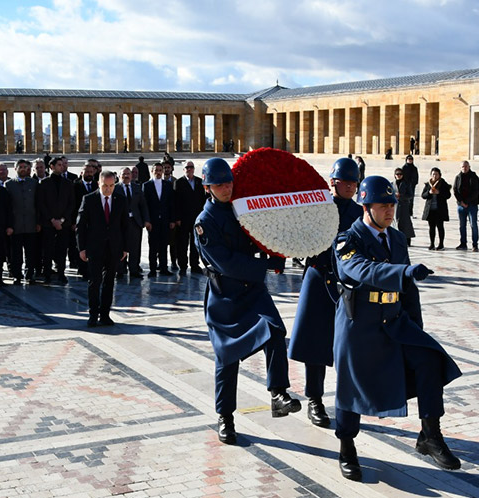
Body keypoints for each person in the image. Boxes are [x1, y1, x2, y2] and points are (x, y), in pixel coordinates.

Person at [332, 175, 462, 481]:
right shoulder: (347, 240)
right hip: (358, 324)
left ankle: (430, 435)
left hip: (393, 321)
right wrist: (403, 272)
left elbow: (409, 291)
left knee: (429, 358)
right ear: (366, 207)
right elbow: (362, 269)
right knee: (350, 389)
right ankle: (346, 446)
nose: (391, 211)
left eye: (393, 204)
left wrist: (416, 325)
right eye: (383, 205)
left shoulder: (397, 238)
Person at [194, 157, 300, 445]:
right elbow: (226, 263)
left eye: (228, 182)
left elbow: (260, 235)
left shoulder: (243, 208)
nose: (226, 188)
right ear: (208, 187)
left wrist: (279, 251)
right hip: (225, 296)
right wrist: (264, 266)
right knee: (227, 358)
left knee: (275, 330)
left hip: (252, 291)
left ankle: (278, 393)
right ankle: (225, 417)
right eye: (219, 184)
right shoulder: (204, 223)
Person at [289, 157, 364, 429]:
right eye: (347, 181)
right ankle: (315, 400)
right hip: (319, 277)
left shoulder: (359, 212)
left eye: (355, 182)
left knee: (350, 346)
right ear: (334, 182)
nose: (352, 186)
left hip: (348, 285)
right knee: (315, 345)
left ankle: (348, 400)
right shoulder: (318, 207)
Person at [77, 170, 128, 326]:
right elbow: (81, 226)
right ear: (99, 183)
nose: (108, 189)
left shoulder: (120, 199)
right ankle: (93, 314)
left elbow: (125, 225)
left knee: (109, 282)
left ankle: (105, 314)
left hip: (114, 248)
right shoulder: (89, 199)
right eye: (105, 185)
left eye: (111, 185)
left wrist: (125, 248)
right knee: (95, 281)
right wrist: (82, 248)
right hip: (94, 247)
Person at [37, 156, 75, 285]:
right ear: (51, 167)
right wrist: (52, 220)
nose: (62, 166)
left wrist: (62, 220)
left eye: (62, 164)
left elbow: (71, 203)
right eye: (59, 164)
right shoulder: (44, 183)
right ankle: (47, 273)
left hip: (64, 223)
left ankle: (61, 273)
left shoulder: (68, 183)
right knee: (48, 249)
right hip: (48, 223)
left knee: (62, 249)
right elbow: (41, 203)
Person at [5, 159, 40, 285]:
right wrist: (9, 225)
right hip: (16, 225)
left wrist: (38, 222)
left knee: (31, 252)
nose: (23, 169)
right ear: (15, 169)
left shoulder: (34, 183)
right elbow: (7, 207)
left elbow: (38, 204)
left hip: (31, 224)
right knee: (16, 254)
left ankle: (30, 274)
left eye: (25, 167)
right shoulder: (9, 184)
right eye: (20, 167)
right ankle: (17, 275)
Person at [172, 161, 206, 274]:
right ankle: (182, 266)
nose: (189, 169)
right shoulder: (178, 183)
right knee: (182, 243)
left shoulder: (199, 182)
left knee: (195, 243)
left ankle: (195, 264)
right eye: (187, 167)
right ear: (183, 169)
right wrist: (177, 218)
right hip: (183, 219)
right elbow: (175, 202)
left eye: (191, 167)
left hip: (196, 219)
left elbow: (203, 200)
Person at [117, 167, 150, 279]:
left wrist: (146, 220)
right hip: (120, 223)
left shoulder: (137, 187)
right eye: (124, 174)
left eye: (128, 174)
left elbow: (143, 205)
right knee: (120, 245)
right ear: (119, 175)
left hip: (135, 221)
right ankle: (120, 270)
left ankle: (134, 269)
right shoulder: (116, 188)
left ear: (131, 175)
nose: (126, 176)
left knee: (135, 247)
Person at [144, 162, 174, 276]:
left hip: (165, 220)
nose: (158, 172)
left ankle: (163, 268)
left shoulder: (167, 185)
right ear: (152, 171)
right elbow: (145, 205)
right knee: (153, 246)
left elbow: (171, 204)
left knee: (164, 245)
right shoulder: (147, 185)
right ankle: (152, 269)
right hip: (153, 221)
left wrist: (172, 220)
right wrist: (147, 220)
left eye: (160, 170)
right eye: (156, 170)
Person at [452, 161, 479, 251]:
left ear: (469, 167)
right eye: (463, 166)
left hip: (472, 204)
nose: (464, 168)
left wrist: (467, 201)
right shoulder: (458, 177)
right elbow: (455, 190)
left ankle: (475, 244)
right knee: (462, 225)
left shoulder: (474, 177)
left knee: (473, 225)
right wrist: (461, 202)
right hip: (461, 205)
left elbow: (476, 191)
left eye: (466, 166)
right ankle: (463, 243)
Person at [421, 167, 451, 250]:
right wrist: (429, 192)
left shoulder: (443, 184)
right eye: (433, 174)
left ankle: (441, 244)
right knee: (431, 227)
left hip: (440, 209)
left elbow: (448, 195)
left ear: (439, 175)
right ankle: (432, 243)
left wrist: (439, 193)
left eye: (436, 174)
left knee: (440, 227)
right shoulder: (428, 184)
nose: (434, 176)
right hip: (430, 209)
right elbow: (423, 195)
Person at [392, 168, 415, 245]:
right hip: (395, 206)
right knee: (395, 222)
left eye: (400, 174)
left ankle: (407, 240)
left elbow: (410, 195)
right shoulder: (392, 184)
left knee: (405, 223)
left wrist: (401, 196)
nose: (399, 176)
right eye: (397, 174)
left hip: (404, 205)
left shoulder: (406, 184)